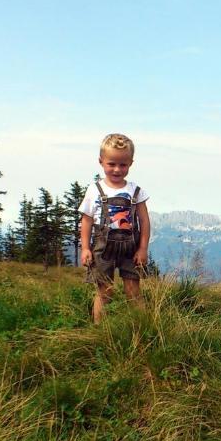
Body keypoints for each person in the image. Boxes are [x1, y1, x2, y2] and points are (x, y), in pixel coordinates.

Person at [78, 134, 151, 324]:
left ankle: (143, 327)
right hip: (103, 249)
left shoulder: (136, 191)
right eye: (112, 164)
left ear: (130, 163)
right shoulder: (94, 190)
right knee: (105, 291)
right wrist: (85, 248)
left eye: (123, 164)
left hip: (130, 249)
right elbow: (86, 221)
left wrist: (143, 248)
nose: (117, 169)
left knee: (133, 290)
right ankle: (99, 329)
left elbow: (144, 221)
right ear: (101, 161)